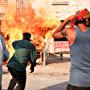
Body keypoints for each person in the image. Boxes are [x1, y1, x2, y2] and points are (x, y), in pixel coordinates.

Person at [52, 8, 90, 90]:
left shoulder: (69, 32)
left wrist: (66, 20)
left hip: (76, 81)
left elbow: (54, 34)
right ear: (86, 19)